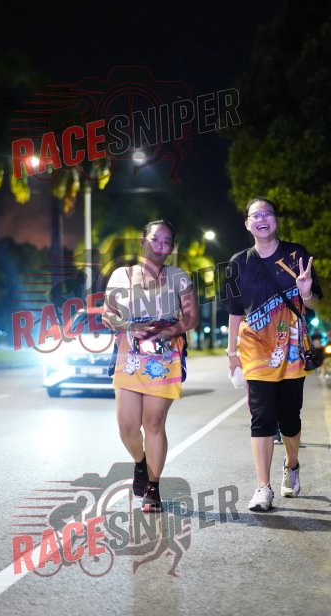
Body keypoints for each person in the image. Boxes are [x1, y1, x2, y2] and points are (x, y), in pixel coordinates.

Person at [224, 198, 323, 512]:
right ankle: (263, 487)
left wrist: (305, 291)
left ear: (276, 220)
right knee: (262, 417)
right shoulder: (238, 263)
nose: (262, 219)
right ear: (247, 224)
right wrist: (231, 352)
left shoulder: (296, 255)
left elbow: (314, 303)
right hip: (255, 350)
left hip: (291, 348)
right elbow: (235, 312)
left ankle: (292, 464)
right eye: (256, 215)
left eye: (267, 214)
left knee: (290, 418)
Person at [102, 220, 198, 513]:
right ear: (143, 241)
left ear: (172, 248)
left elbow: (191, 317)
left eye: (167, 242)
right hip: (129, 356)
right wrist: (129, 326)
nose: (160, 246)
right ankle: (141, 463)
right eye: (155, 239)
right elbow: (108, 315)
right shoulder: (122, 275)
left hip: (165, 357)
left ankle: (153, 489)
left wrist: (171, 330)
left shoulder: (179, 277)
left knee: (154, 422)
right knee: (127, 426)